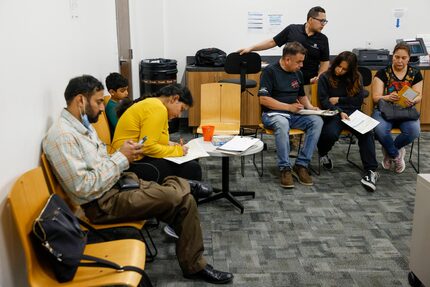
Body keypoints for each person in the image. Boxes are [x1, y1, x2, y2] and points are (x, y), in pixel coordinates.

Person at [42, 75, 233, 284]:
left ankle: (194, 266)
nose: (103, 108)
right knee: (179, 192)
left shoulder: (83, 128)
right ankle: (185, 186)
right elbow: (84, 187)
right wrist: (121, 158)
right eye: (98, 102)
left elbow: (102, 160)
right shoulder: (62, 137)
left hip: (119, 183)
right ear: (80, 100)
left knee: (185, 202)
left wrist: (118, 160)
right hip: (102, 203)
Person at [258, 42, 323, 188]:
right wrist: (288, 107)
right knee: (282, 123)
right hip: (273, 114)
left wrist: (312, 108)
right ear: (287, 59)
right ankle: (285, 168)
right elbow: (264, 99)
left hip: (293, 114)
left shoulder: (297, 73)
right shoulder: (270, 71)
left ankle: (301, 164)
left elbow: (301, 96)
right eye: (299, 62)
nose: (301, 65)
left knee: (317, 121)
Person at [112, 84, 203, 184]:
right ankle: (185, 198)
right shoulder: (157, 108)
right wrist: (177, 151)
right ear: (174, 99)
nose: (179, 115)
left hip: (134, 159)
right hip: (129, 164)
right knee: (192, 168)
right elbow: (148, 147)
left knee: (191, 163)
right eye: (181, 109)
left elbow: (152, 138)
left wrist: (170, 144)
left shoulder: (155, 105)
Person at [317, 51, 379, 192]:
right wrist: (339, 110)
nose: (340, 70)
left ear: (350, 70)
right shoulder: (325, 76)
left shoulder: (356, 77)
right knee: (331, 133)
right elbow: (324, 100)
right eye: (339, 66)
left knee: (367, 132)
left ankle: (371, 171)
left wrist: (339, 99)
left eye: (344, 69)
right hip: (334, 112)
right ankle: (322, 152)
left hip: (353, 111)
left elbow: (358, 99)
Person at [239, 6, 330, 88]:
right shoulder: (292, 30)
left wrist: (319, 78)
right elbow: (272, 42)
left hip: (309, 83)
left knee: (305, 106)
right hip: (287, 80)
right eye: (321, 21)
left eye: (325, 21)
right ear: (310, 20)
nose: (323, 24)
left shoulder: (323, 39)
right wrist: (251, 48)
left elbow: (324, 62)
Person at [372, 42, 423, 173]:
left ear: (409, 59)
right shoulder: (382, 73)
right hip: (384, 110)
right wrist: (387, 97)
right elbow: (375, 97)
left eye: (403, 58)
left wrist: (412, 101)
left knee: (414, 131)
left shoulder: (415, 74)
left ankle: (389, 150)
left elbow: (418, 96)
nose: (399, 61)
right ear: (392, 56)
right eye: (396, 57)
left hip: (405, 110)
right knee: (380, 130)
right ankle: (395, 155)